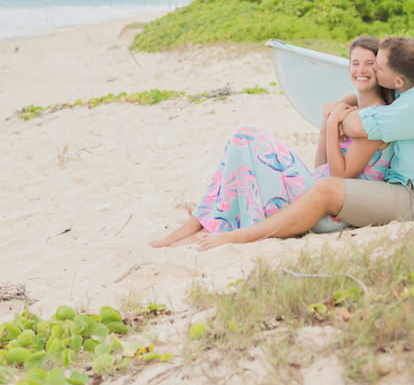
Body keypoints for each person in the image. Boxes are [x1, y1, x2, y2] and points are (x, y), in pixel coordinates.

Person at [196, 35, 414, 250]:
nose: (371, 69)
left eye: (378, 66)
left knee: (326, 188)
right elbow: (359, 95)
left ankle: (242, 236)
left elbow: (356, 125)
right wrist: (343, 103)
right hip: (412, 187)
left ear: (396, 79)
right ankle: (217, 213)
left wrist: (337, 117)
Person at [149, 36, 395, 247]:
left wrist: (332, 127)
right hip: (317, 190)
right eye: (355, 63)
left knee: (246, 135)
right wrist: (325, 123)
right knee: (242, 144)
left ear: (380, 70)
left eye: (369, 64)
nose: (360, 70)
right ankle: (200, 221)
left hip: (331, 212)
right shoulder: (352, 108)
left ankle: (206, 222)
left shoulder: (375, 120)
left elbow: (341, 178)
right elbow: (322, 164)